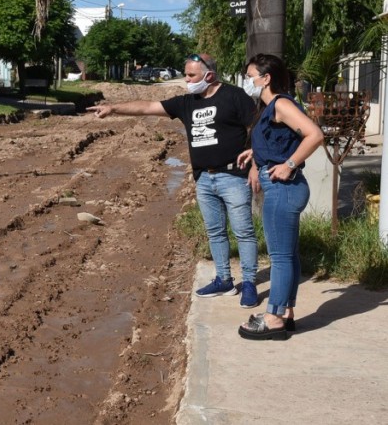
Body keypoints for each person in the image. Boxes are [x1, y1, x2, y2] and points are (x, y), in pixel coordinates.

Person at [88, 53, 260, 308]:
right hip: (204, 178)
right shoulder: (186, 102)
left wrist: (256, 161)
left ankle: (249, 284)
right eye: (186, 74)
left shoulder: (235, 96)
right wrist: (114, 108)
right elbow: (148, 107)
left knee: (243, 232)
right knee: (215, 232)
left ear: (209, 76)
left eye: (191, 75)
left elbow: (257, 126)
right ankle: (224, 279)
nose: (186, 80)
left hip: (233, 175)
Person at [236, 53, 324, 341]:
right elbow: (284, 140)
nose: (247, 81)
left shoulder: (281, 104)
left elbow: (314, 135)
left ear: (266, 78)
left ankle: (273, 317)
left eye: (250, 76)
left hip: (283, 188)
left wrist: (288, 165)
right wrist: (257, 153)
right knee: (288, 255)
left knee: (281, 257)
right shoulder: (270, 108)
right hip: (282, 188)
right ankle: (286, 313)